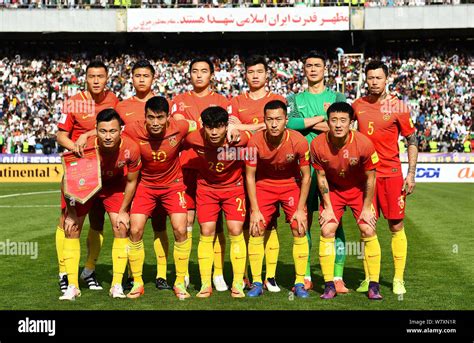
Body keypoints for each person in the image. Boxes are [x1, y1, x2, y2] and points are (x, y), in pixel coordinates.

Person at [60, 109, 141, 301]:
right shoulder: (84, 147)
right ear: (96, 130)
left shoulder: (132, 148)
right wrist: (70, 212)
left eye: (112, 131)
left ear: (120, 130)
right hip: (86, 186)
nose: (107, 136)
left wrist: (123, 211)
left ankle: (116, 285)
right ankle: (72, 286)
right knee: (71, 228)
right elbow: (66, 179)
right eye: (103, 131)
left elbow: (132, 182)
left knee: (121, 227)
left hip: (113, 187)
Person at [352, 60, 418, 295]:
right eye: (370, 78)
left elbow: (412, 141)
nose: (374, 82)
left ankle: (398, 278)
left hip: (391, 174)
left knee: (396, 225)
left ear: (386, 79)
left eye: (378, 78)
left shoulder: (399, 107)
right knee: (366, 226)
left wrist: (410, 174)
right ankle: (370, 278)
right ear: (366, 79)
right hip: (365, 176)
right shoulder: (357, 105)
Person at [286, 51, 348, 293]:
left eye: (317, 66)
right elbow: (291, 124)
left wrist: (308, 122)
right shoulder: (293, 97)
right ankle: (305, 276)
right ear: (304, 69)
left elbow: (343, 125)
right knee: (303, 220)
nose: (313, 69)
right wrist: (324, 117)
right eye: (309, 65)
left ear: (325, 70)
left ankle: (337, 276)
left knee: (334, 222)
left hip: (330, 167)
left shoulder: (338, 96)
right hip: (303, 168)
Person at [123, 96, 195, 299]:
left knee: (181, 229)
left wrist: (234, 128)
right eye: (151, 118)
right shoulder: (131, 129)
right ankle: (137, 282)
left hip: (173, 186)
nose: (155, 123)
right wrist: (86, 136)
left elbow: (202, 125)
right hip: (145, 186)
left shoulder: (179, 126)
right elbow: (107, 131)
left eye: (160, 118)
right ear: (144, 117)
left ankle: (180, 281)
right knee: (135, 229)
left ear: (168, 117)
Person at [56, 60, 119, 293]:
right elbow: (60, 135)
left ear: (106, 78)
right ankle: (64, 272)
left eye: (100, 76)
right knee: (69, 221)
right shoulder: (73, 102)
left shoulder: (114, 101)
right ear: (85, 78)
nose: (96, 80)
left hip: (107, 170)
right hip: (80, 170)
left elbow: (117, 128)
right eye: (91, 76)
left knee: (98, 221)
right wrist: (75, 146)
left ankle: (89, 270)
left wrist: (91, 132)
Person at [310, 102, 382, 300]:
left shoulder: (364, 143)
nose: (338, 125)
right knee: (327, 228)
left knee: (368, 228)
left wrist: (367, 208)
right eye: (334, 120)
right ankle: (329, 285)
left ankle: (374, 285)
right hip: (333, 190)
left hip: (359, 190)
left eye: (343, 120)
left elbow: (370, 178)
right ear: (328, 122)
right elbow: (321, 178)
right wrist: (328, 208)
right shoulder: (317, 144)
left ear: (351, 122)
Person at [171, 57, 232, 291]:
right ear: (189, 74)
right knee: (184, 222)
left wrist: (194, 124)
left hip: (214, 170)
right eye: (194, 71)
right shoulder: (180, 100)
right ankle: (183, 272)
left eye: (203, 71)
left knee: (214, 225)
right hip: (187, 167)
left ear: (211, 75)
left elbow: (229, 126)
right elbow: (179, 127)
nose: (199, 75)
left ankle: (217, 273)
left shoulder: (221, 100)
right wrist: (202, 125)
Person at [229, 55, 286, 292]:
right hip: (240, 168)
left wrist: (244, 128)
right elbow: (230, 128)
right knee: (242, 223)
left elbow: (283, 127)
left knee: (269, 223)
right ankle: (245, 275)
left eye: (259, 72)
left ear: (267, 75)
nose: (254, 76)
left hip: (270, 170)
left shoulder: (277, 99)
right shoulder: (235, 100)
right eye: (250, 71)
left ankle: (269, 276)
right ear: (246, 75)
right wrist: (256, 127)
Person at [116, 59, 172, 291]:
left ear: (153, 78)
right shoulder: (121, 106)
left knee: (160, 225)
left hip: (159, 175)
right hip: (131, 175)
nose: (141, 79)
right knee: (132, 227)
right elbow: (109, 129)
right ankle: (132, 274)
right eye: (137, 75)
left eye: (145, 75)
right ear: (132, 78)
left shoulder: (164, 103)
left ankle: (161, 275)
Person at [245, 100, 311, 298]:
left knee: (299, 228)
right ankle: (257, 281)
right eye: (270, 119)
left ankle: (299, 282)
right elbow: (249, 175)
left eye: (278, 119)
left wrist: (300, 208)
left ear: (286, 120)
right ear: (264, 120)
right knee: (256, 228)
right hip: (264, 185)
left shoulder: (298, 141)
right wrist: (254, 210)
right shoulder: (254, 141)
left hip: (291, 185)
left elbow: (306, 176)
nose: (274, 124)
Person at [184, 106, 248, 298]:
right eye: (209, 127)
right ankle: (205, 283)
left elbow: (252, 147)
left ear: (226, 126)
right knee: (206, 231)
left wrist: (235, 129)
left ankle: (238, 282)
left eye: (219, 127)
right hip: (207, 189)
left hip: (233, 188)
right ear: (203, 126)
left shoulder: (239, 139)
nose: (213, 132)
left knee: (236, 230)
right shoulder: (193, 138)